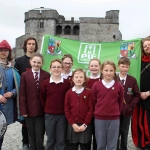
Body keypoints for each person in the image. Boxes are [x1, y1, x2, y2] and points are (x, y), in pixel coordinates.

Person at [19, 53, 50, 150]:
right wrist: (23, 110)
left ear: (42, 63)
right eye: (34, 62)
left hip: (42, 109)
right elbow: (22, 93)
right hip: (29, 109)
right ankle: (32, 148)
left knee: (40, 132)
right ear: (30, 62)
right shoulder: (24, 75)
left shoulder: (46, 75)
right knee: (31, 133)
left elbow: (48, 93)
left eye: (39, 62)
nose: (36, 64)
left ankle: (40, 147)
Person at [92, 60, 124, 150]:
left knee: (112, 145)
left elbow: (120, 102)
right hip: (99, 119)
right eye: (106, 70)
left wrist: (115, 112)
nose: (108, 73)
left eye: (111, 70)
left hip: (114, 119)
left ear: (114, 71)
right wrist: (99, 112)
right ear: (101, 71)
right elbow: (94, 101)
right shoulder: (96, 85)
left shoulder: (119, 86)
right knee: (101, 145)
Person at [40, 58, 71, 150]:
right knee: (50, 138)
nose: (56, 69)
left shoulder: (66, 83)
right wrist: (47, 109)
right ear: (50, 69)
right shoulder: (45, 83)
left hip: (62, 115)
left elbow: (68, 99)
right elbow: (42, 98)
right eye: (54, 67)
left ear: (62, 69)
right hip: (49, 115)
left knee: (61, 139)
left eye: (58, 67)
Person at [14, 37, 38, 150]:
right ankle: (25, 142)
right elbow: (15, 79)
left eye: (33, 44)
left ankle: (37, 143)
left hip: (36, 96)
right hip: (24, 95)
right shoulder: (19, 61)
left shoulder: (39, 60)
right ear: (26, 45)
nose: (31, 46)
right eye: (29, 44)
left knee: (37, 121)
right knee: (25, 121)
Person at [65, 68, 93, 150]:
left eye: (81, 77)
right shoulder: (69, 93)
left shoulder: (89, 93)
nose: (78, 79)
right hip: (73, 124)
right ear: (73, 79)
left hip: (85, 125)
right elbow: (67, 110)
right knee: (73, 146)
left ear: (84, 79)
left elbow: (91, 109)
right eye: (76, 77)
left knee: (85, 146)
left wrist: (85, 124)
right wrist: (73, 124)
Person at [0, 40, 20, 149]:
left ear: (9, 52)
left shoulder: (13, 70)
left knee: (1, 132)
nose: (3, 52)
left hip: (7, 106)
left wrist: (12, 93)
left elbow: (18, 87)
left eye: (5, 50)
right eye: (1, 50)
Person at [117, 57, 140, 150]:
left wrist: (131, 106)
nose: (124, 69)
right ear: (118, 66)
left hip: (127, 111)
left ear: (129, 67)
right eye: (122, 66)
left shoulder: (132, 80)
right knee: (115, 132)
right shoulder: (114, 79)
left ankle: (123, 148)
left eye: (126, 67)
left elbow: (137, 95)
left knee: (124, 132)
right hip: (115, 111)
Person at [132, 37, 150, 150]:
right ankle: (141, 142)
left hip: (148, 96)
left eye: (149, 45)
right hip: (139, 97)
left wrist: (148, 93)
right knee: (139, 121)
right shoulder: (139, 61)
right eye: (145, 46)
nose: (147, 47)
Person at [85, 58, 101, 150]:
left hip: (98, 112)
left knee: (97, 136)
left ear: (99, 67)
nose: (94, 68)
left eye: (96, 66)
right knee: (87, 136)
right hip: (87, 113)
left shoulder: (102, 80)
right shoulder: (85, 81)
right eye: (92, 66)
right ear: (88, 67)